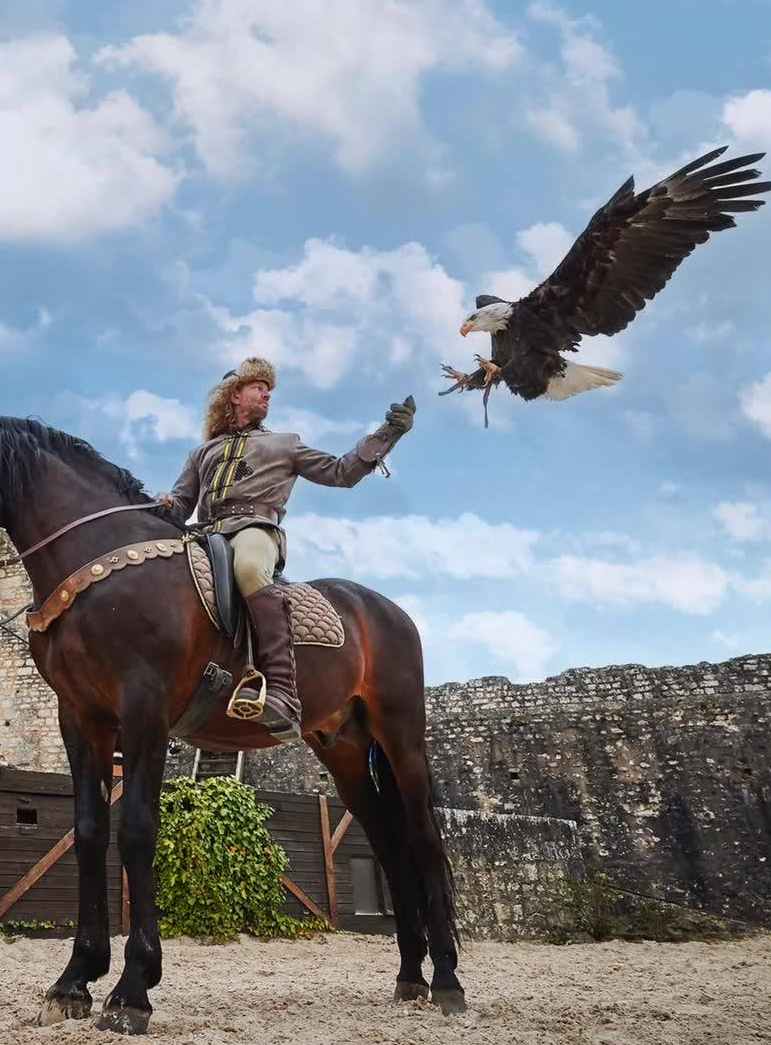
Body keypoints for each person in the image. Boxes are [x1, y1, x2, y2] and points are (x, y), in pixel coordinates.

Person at [161, 357, 415, 743]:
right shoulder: (202, 454)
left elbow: (340, 472)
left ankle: (281, 691)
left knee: (247, 568)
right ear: (234, 395)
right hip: (204, 534)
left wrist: (388, 434)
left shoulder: (284, 444)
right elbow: (181, 506)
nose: (267, 394)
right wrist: (160, 505)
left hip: (254, 530)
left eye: (269, 389)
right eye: (259, 386)